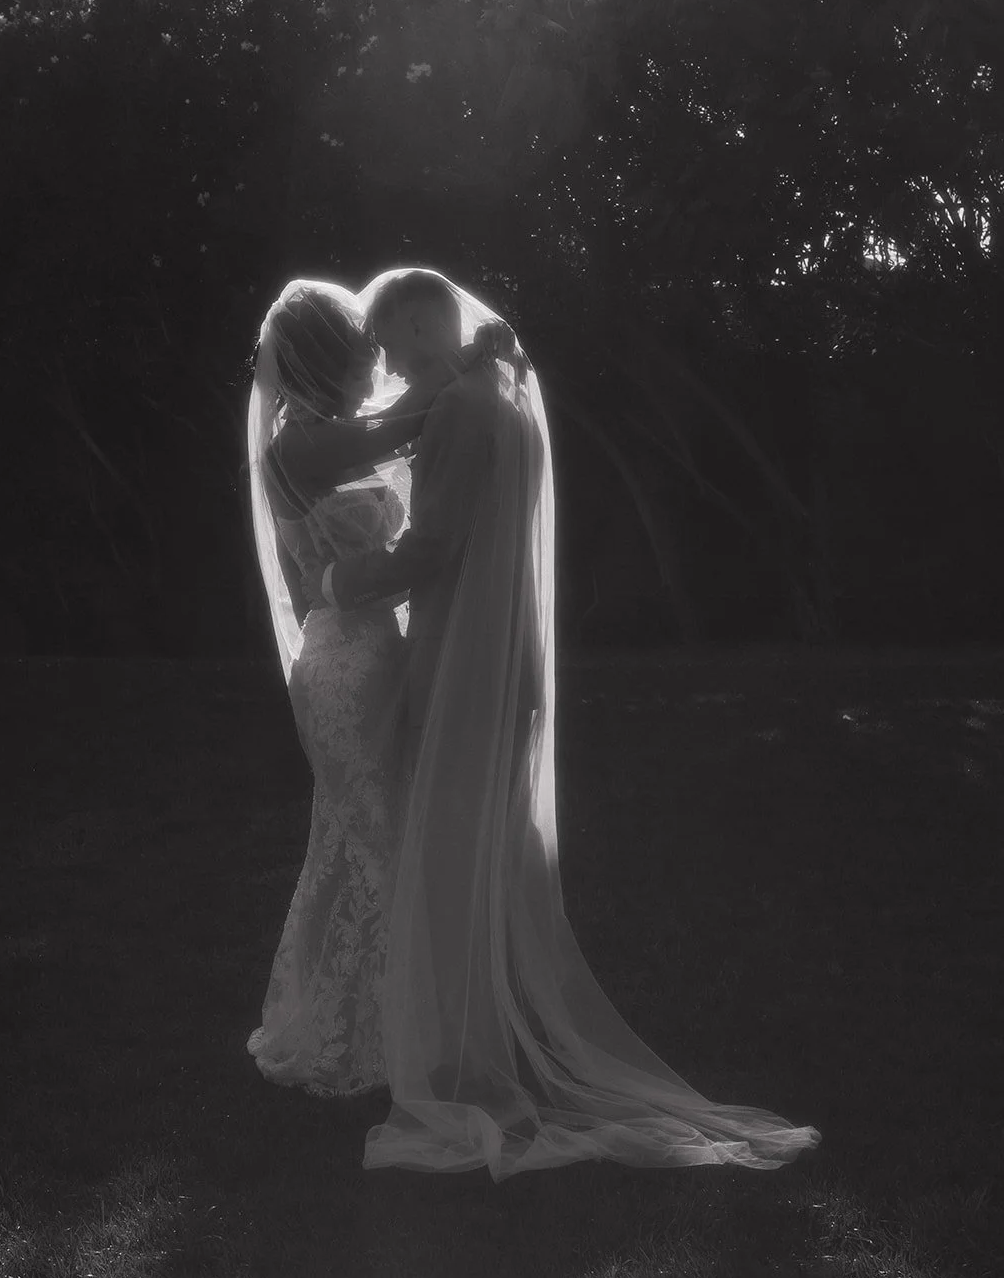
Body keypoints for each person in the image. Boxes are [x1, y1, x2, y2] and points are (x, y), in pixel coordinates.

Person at [287, 268, 821, 1179]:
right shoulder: (502, 398)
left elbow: (435, 547)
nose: (384, 364)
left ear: (422, 324)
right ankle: (473, 1026)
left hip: (462, 657)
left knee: (446, 856)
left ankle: (456, 1052)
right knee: (475, 852)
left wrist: (337, 584)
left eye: (391, 342)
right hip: (507, 653)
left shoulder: (459, 407)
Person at [245, 282, 462, 1097]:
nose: (374, 368)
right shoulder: (296, 449)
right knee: (374, 843)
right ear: (321, 364)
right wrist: (463, 363)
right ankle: (378, 1035)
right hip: (340, 669)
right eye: (362, 356)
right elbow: (410, 422)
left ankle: (359, 1019)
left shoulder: (330, 437)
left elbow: (401, 427)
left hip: (379, 654)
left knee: (357, 841)